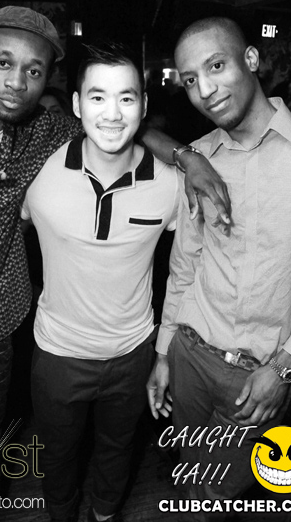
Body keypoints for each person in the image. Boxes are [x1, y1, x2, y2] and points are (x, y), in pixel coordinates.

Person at [0, 6, 230, 521]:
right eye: (3, 62)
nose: (17, 82)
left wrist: (188, 157)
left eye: (34, 70)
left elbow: (117, 125)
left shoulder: (42, 135)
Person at [147, 17, 291, 520]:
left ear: (250, 60)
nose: (204, 90)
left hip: (259, 375)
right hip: (189, 355)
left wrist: (286, 366)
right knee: (190, 474)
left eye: (216, 66)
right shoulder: (200, 158)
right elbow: (185, 265)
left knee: (220, 497)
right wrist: (163, 352)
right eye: (189, 79)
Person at [22, 42, 179, 522]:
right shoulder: (38, 170)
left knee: (118, 448)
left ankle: (105, 515)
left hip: (132, 353)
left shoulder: (172, 184)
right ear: (76, 105)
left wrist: (164, 352)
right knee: (56, 454)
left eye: (126, 97)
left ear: (144, 106)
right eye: (97, 97)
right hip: (57, 354)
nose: (112, 113)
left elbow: (191, 269)